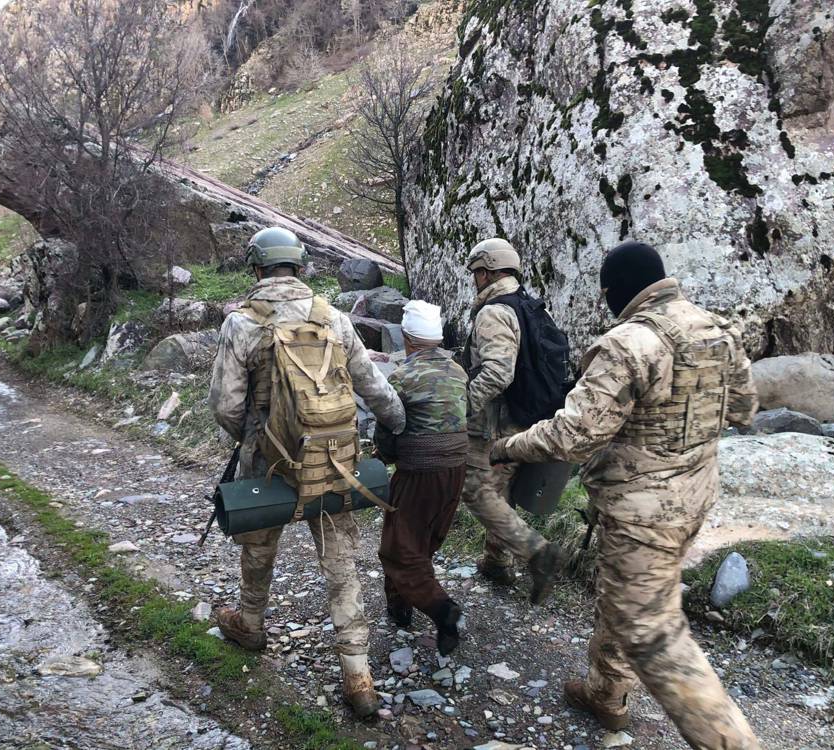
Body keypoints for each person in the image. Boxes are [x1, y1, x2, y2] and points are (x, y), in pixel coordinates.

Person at [490, 241, 762, 749]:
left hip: (643, 513)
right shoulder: (718, 329)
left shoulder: (629, 342)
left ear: (615, 292)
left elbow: (574, 435)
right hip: (696, 494)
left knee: (653, 634)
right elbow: (745, 408)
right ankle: (605, 691)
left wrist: (507, 446)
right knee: (627, 592)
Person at [208, 227, 406, 718]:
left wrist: (253, 437)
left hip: (269, 459)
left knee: (258, 547)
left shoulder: (241, 324)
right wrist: (399, 425)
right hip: (334, 457)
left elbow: (225, 405)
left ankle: (251, 622)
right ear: (299, 265)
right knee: (341, 565)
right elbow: (373, 387)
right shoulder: (333, 317)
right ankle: (358, 676)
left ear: (256, 266)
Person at [460, 237, 566, 603]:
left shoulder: (494, 312)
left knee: (475, 489)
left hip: (496, 421)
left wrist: (462, 405)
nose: (474, 279)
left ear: (487, 271)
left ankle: (535, 551)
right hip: (529, 416)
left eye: (476, 272)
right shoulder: (531, 307)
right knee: (502, 484)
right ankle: (496, 561)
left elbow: (496, 373)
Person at [374, 300, 469, 656]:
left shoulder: (402, 376)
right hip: (455, 470)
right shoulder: (459, 372)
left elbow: (388, 430)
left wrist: (385, 457)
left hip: (419, 472)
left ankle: (444, 610)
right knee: (420, 542)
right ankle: (398, 608)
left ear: (408, 339)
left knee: (398, 549)